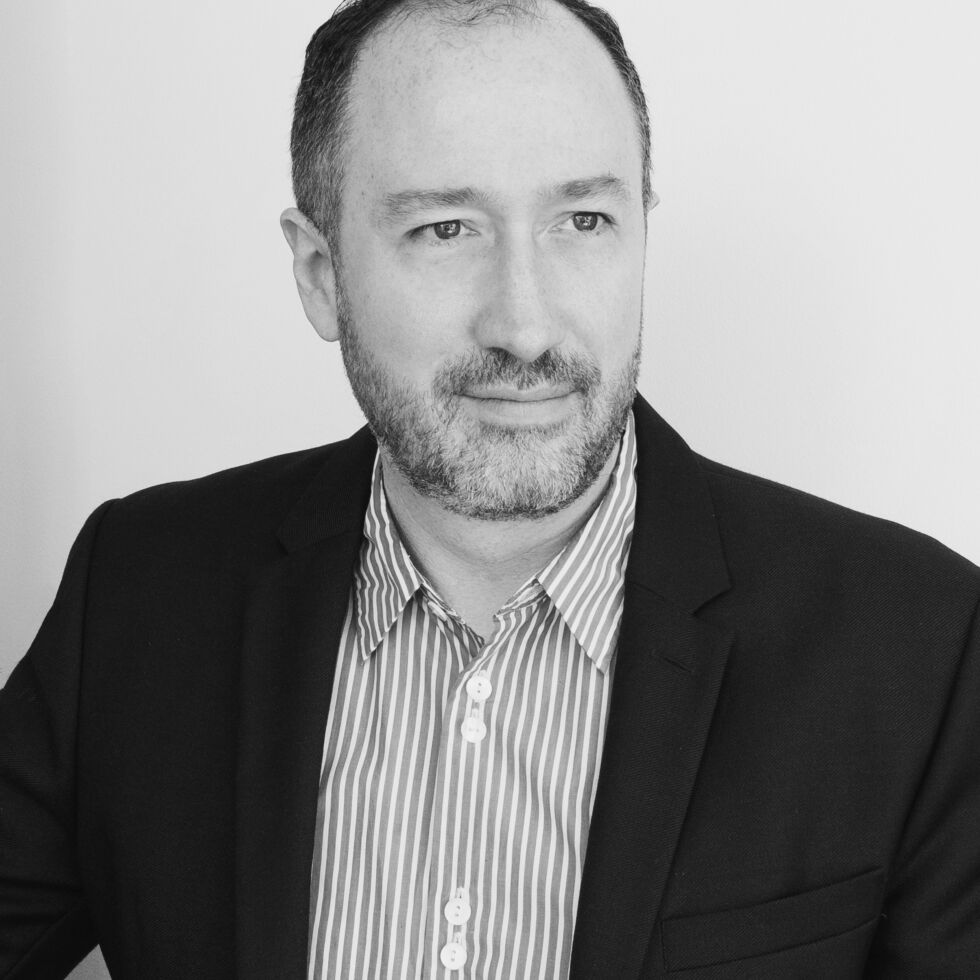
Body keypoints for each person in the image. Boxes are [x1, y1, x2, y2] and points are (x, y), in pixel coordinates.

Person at [1, 0, 978, 976]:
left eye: (583, 221)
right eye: (445, 229)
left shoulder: (920, 646)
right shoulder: (137, 592)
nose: (524, 325)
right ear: (319, 273)